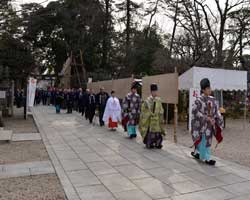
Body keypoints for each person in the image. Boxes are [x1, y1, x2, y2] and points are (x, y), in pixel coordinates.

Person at [191, 78, 223, 166]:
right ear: (203, 90)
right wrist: (205, 118)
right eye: (207, 88)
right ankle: (206, 157)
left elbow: (217, 111)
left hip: (209, 126)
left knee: (208, 141)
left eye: (210, 88)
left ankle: (201, 154)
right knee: (202, 141)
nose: (209, 90)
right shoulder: (198, 100)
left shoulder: (213, 100)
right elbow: (194, 111)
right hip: (201, 126)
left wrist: (216, 119)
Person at [139, 84, 165, 149]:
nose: (155, 92)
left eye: (156, 91)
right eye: (154, 91)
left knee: (158, 132)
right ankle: (150, 143)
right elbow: (143, 110)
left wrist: (160, 113)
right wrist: (149, 113)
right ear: (151, 92)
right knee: (150, 133)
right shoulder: (147, 101)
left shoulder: (159, 100)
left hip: (157, 119)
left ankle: (158, 143)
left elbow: (161, 108)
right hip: (150, 119)